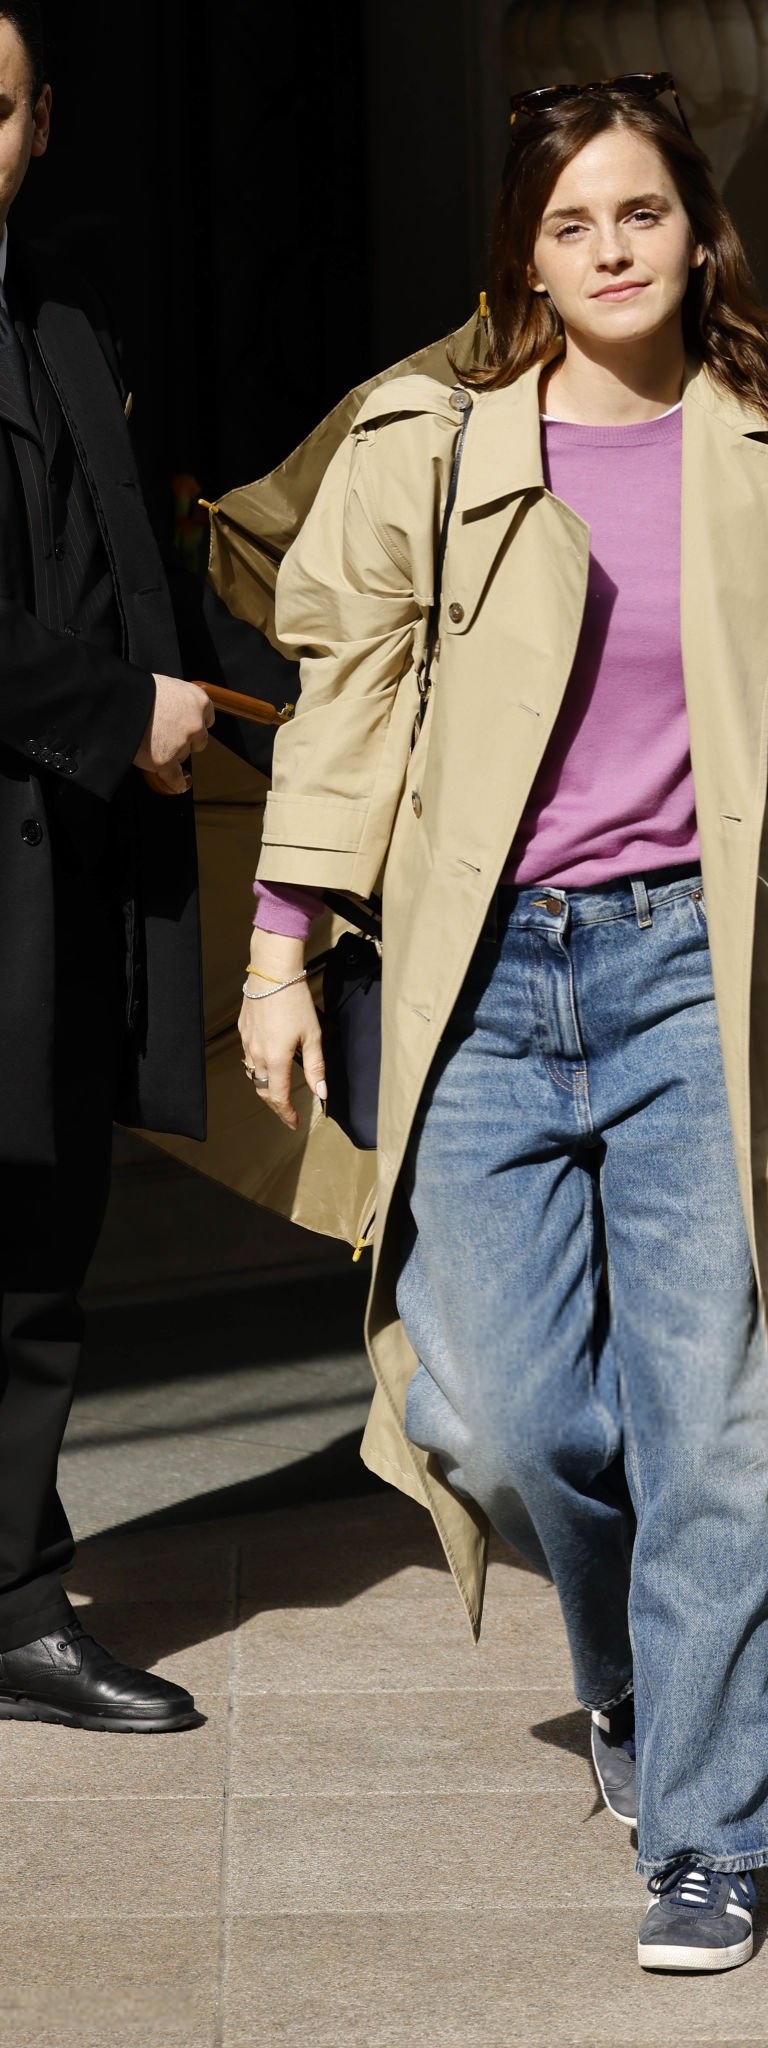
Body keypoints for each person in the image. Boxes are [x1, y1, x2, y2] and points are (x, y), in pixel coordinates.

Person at [237, 74, 768, 1969]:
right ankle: (625, 1661)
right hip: (484, 984)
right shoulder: (431, 449)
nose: (610, 249)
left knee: (716, 1426)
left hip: (697, 979)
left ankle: (707, 1831)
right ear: (525, 254)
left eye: (642, 213)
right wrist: (281, 947)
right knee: (499, 1417)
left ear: (698, 231)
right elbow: (346, 704)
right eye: (570, 221)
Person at [0, 3, 292, 1734]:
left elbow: (142, 577)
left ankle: (14, 1607)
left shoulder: (62, 314)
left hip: (61, 876)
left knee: (37, 1247)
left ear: (39, 126)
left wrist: (303, 719)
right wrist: (120, 711)